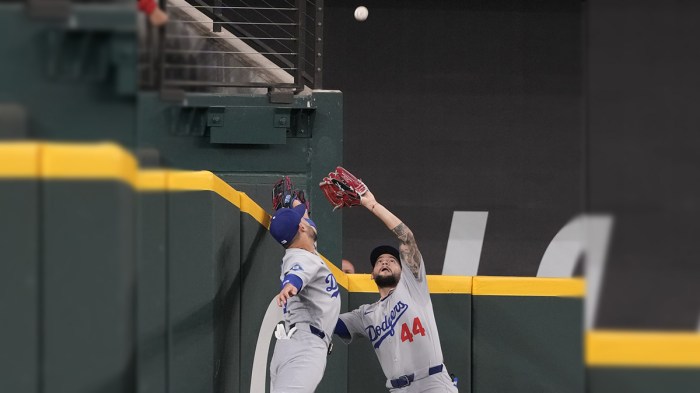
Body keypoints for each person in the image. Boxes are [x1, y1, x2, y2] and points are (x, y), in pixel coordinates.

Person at [334, 190, 458, 392]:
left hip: (432, 382)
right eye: (379, 261)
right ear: (372, 274)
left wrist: (372, 205)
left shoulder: (412, 286)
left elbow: (407, 238)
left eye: (392, 260)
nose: (385, 262)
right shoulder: (365, 315)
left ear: (403, 270)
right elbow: (330, 322)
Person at [268, 198, 341, 393]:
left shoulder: (304, 249)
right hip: (305, 347)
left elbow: (310, 228)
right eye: (302, 219)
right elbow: (296, 274)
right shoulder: (299, 257)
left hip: (296, 343)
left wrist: (293, 201)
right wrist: (290, 285)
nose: (306, 220)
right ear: (301, 228)